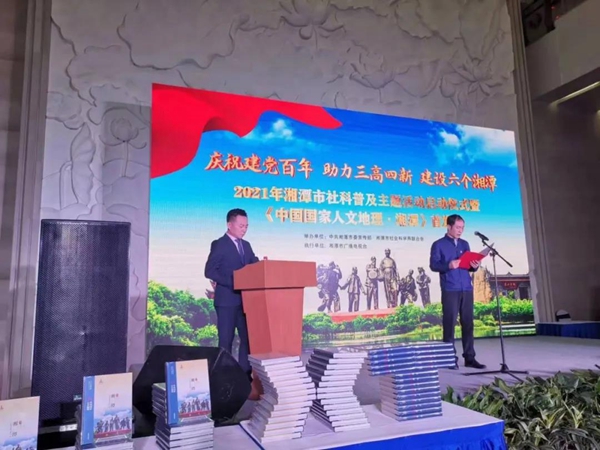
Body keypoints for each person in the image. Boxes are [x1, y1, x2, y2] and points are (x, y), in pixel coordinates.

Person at [204, 208, 259, 381]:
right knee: (226, 340)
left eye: (246, 226)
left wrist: (264, 266)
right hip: (226, 301)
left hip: (245, 301)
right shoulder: (219, 244)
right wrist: (234, 281)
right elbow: (209, 271)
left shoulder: (246, 245)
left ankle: (244, 377)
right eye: (241, 226)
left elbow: (254, 265)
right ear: (229, 225)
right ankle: (223, 378)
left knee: (247, 339)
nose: (244, 229)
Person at [429, 214, 486, 370]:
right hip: (450, 288)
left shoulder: (464, 244)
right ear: (449, 227)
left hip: (466, 287)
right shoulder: (438, 245)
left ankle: (470, 358)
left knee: (468, 324)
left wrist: (474, 266)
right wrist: (449, 265)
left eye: (462, 228)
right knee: (450, 324)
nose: (460, 230)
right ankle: (449, 359)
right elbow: (433, 265)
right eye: (458, 227)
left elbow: (468, 266)